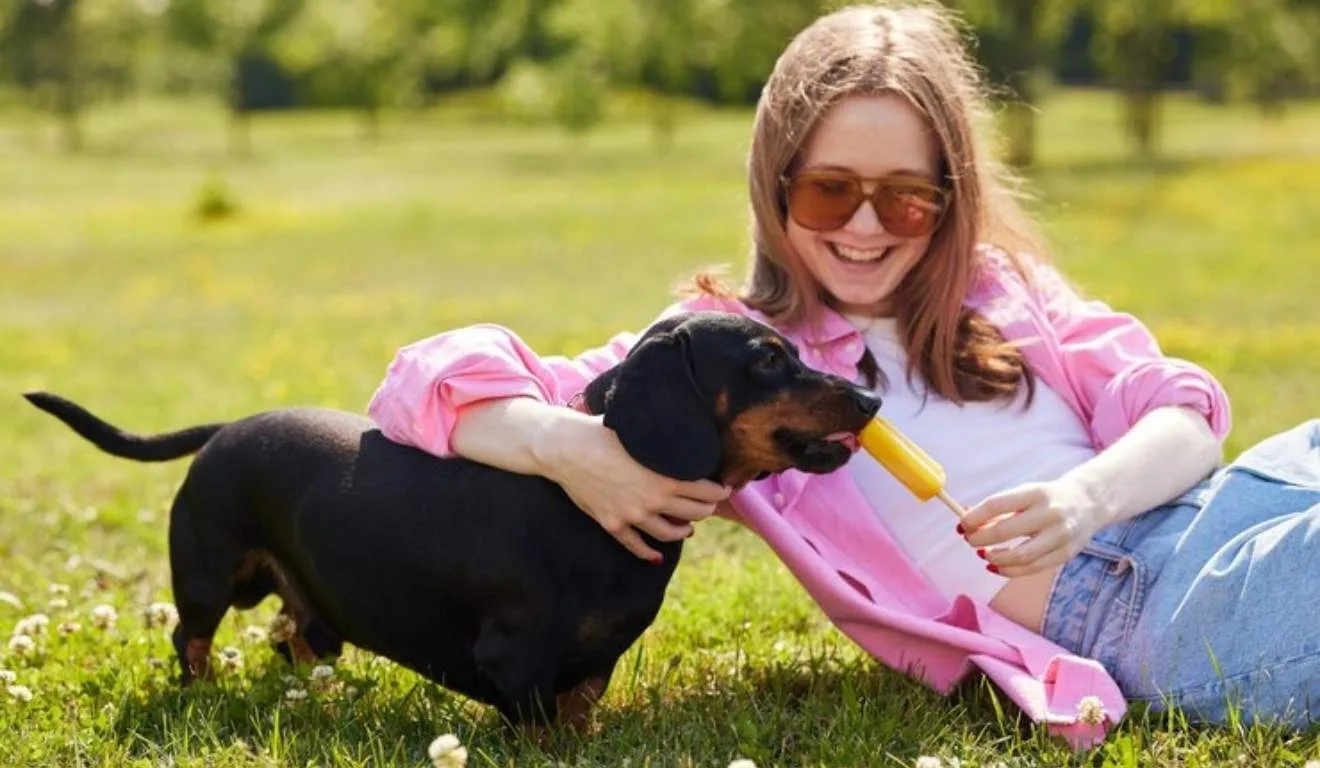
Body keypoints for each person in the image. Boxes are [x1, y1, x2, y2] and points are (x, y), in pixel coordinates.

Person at [365, 1, 1320, 747]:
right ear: (774, 181)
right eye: (830, 190)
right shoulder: (725, 353)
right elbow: (425, 380)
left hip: (1234, 499)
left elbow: (1184, 413)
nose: (865, 229)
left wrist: (1081, 498)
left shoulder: (1003, 291)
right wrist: (567, 445)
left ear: (949, 202)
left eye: (906, 200)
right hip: (1134, 605)